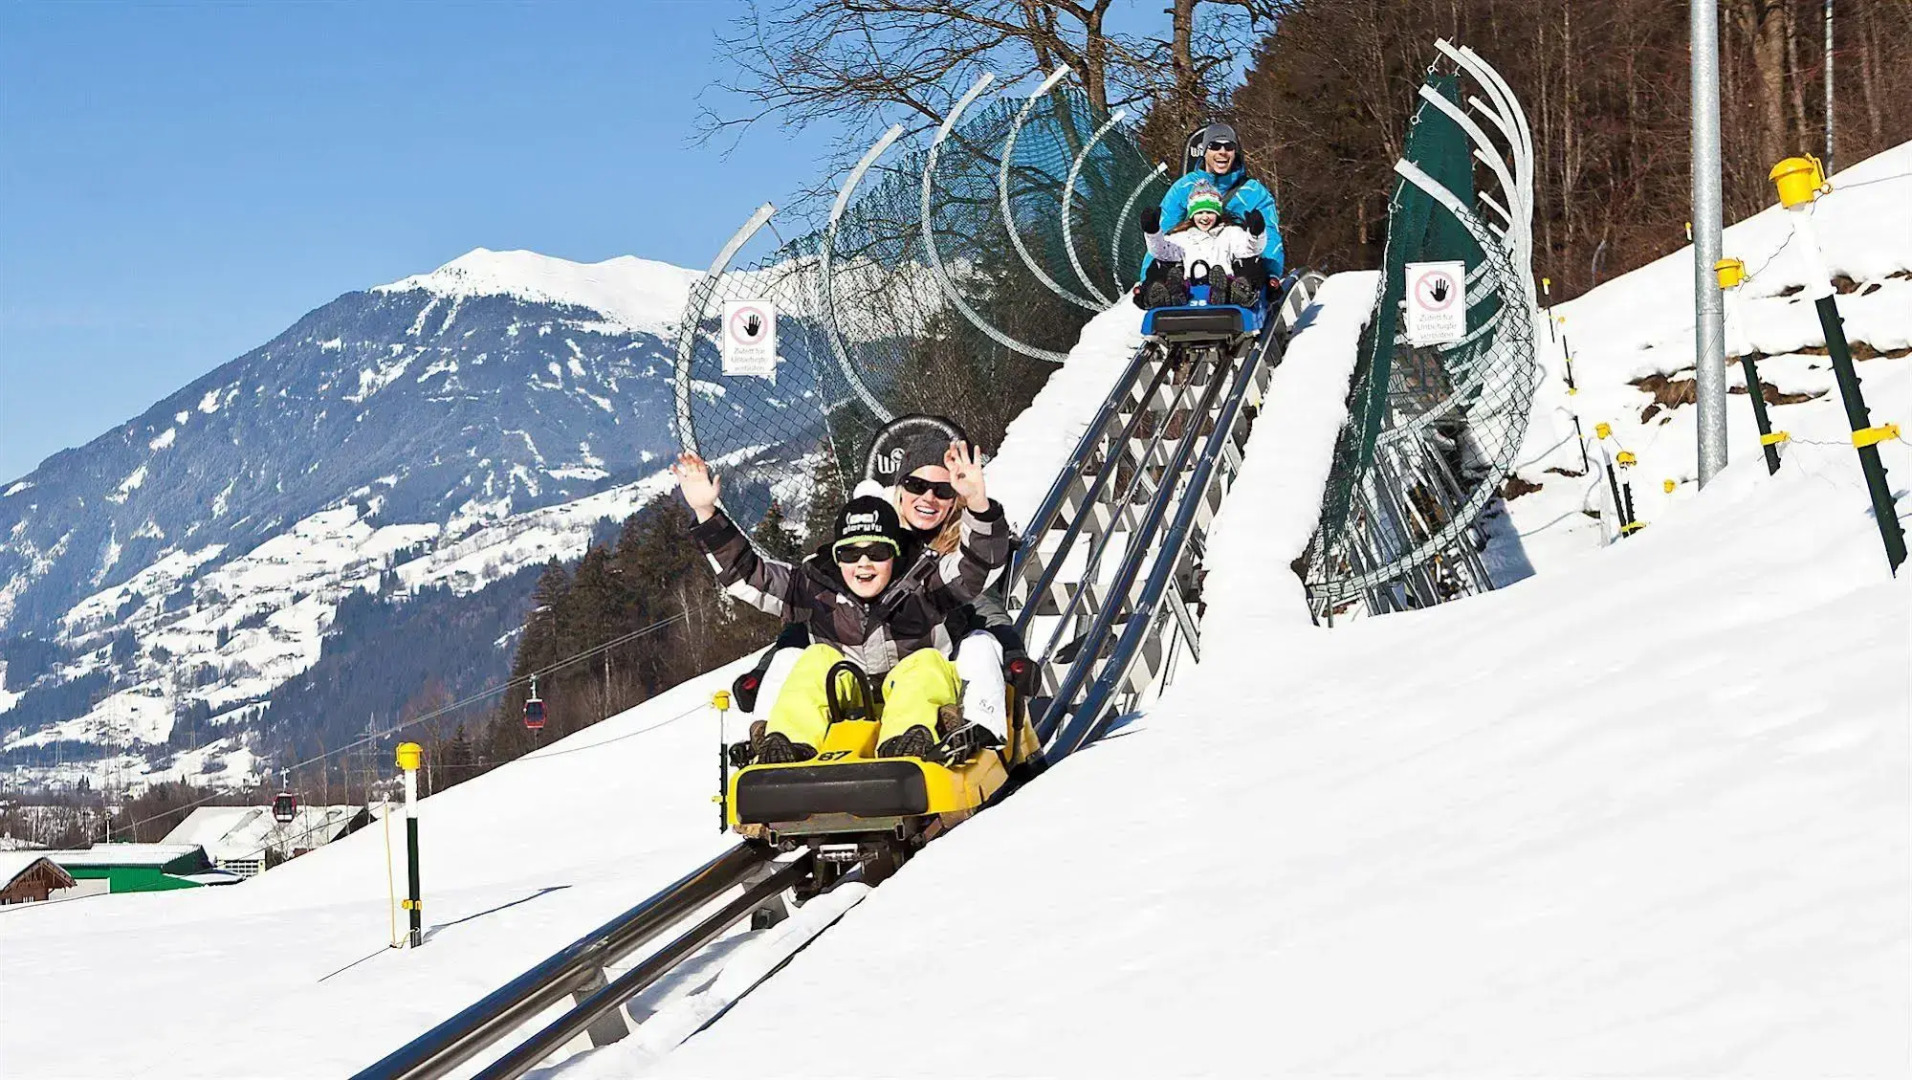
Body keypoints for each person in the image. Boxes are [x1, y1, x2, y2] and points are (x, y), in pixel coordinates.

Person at [675, 444, 1010, 765]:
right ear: (836, 559)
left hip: (915, 697)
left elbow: (978, 564)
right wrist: (706, 513)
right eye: (850, 553)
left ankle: (908, 743)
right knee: (815, 658)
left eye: (877, 553)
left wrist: (978, 504)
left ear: (895, 554)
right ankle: (787, 743)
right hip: (847, 695)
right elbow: (747, 574)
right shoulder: (815, 587)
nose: (863, 564)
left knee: (925, 663)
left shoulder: (926, 583)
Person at [1136, 121, 1283, 304]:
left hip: (1232, 262)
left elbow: (1269, 237)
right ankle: (1162, 293)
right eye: (1214, 146)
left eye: (1228, 147)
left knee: (1249, 262)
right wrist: (1146, 280)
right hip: (1190, 267)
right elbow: (1164, 238)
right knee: (1164, 264)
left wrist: (1271, 276)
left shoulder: (1253, 192)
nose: (1222, 152)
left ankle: (1241, 290)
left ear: (1234, 152)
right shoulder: (1184, 188)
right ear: (1204, 151)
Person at [1140, 178, 1268, 308]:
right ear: (1191, 214)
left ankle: (1231, 294)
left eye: (1210, 212)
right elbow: (1161, 251)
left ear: (1218, 213)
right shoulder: (1181, 237)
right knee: (1160, 266)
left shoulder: (1230, 233)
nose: (1205, 217)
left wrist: (1256, 233)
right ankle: (1172, 294)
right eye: (1200, 212)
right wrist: (1152, 232)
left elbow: (1250, 249)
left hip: (1225, 285)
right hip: (1190, 288)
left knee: (1250, 264)